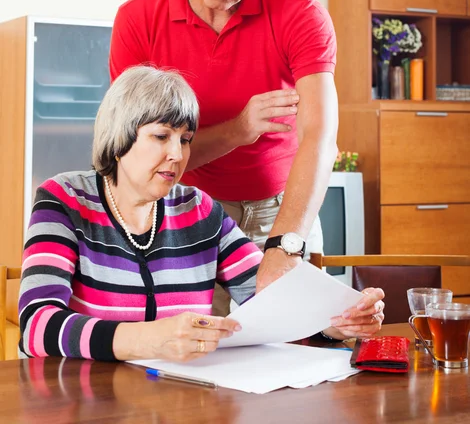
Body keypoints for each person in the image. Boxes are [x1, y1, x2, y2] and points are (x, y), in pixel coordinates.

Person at [19, 66, 384, 361]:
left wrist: (337, 323)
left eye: (185, 139)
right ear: (119, 138)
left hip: (182, 402)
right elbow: (37, 325)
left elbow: (271, 302)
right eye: (161, 136)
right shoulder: (63, 200)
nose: (177, 154)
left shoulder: (198, 210)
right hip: (85, 402)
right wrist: (148, 339)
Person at [109, 0, 338, 316]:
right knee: (189, 359)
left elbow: (320, 136)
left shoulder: (301, 15)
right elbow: (138, 155)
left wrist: (286, 245)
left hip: (282, 212)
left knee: (297, 350)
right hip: (185, 210)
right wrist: (240, 129)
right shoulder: (138, 20)